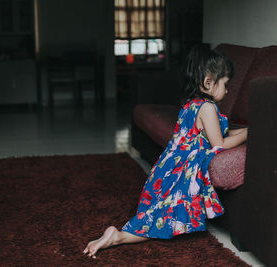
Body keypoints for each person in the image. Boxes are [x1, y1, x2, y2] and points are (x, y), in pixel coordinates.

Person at [83, 44, 248, 259]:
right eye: (225, 84)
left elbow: (217, 138)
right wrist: (249, 133)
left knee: (154, 214)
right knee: (161, 223)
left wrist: (245, 130)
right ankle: (118, 237)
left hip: (168, 167)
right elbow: (220, 144)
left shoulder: (191, 105)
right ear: (209, 83)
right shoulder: (207, 108)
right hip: (181, 173)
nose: (227, 91)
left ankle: (118, 235)